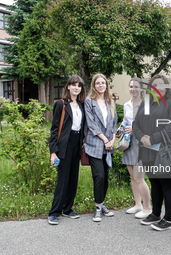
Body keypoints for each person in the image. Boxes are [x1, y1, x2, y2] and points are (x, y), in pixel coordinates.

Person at [133, 74, 171, 231]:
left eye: (161, 85)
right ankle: (156, 213)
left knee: (167, 184)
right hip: (147, 151)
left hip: (163, 151)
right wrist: (142, 138)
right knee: (154, 182)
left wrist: (153, 139)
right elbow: (135, 124)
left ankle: (169, 219)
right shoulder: (145, 103)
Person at [48, 75, 86, 225]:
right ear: (68, 86)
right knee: (62, 180)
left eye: (79, 85)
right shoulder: (61, 104)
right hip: (64, 144)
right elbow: (54, 129)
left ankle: (68, 209)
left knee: (73, 179)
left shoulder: (82, 105)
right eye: (73, 84)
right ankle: (54, 212)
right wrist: (53, 152)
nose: (76, 87)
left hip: (77, 144)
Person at [84, 73, 118, 222]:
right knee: (99, 176)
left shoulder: (110, 101)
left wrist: (113, 140)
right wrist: (105, 140)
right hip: (95, 144)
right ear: (93, 85)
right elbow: (91, 124)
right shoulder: (89, 101)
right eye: (97, 83)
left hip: (108, 146)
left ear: (106, 85)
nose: (100, 85)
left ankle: (102, 204)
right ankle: (97, 207)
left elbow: (114, 123)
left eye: (103, 83)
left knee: (105, 178)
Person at [119, 78, 151, 219]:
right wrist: (119, 130)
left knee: (139, 178)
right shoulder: (127, 105)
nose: (133, 89)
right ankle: (137, 204)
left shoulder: (146, 105)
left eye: (136, 86)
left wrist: (135, 128)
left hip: (141, 144)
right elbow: (125, 121)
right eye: (131, 86)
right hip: (128, 143)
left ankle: (147, 207)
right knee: (132, 177)